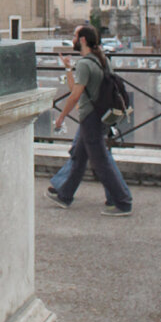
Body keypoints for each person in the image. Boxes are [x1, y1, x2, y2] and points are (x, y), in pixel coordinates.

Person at [48, 26, 133, 216]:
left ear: (83, 40)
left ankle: (122, 201)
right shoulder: (102, 60)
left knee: (101, 161)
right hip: (102, 115)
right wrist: (69, 67)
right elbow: (78, 88)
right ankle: (65, 194)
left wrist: (61, 117)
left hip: (90, 119)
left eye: (75, 36)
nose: (73, 39)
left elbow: (75, 95)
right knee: (79, 156)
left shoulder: (86, 64)